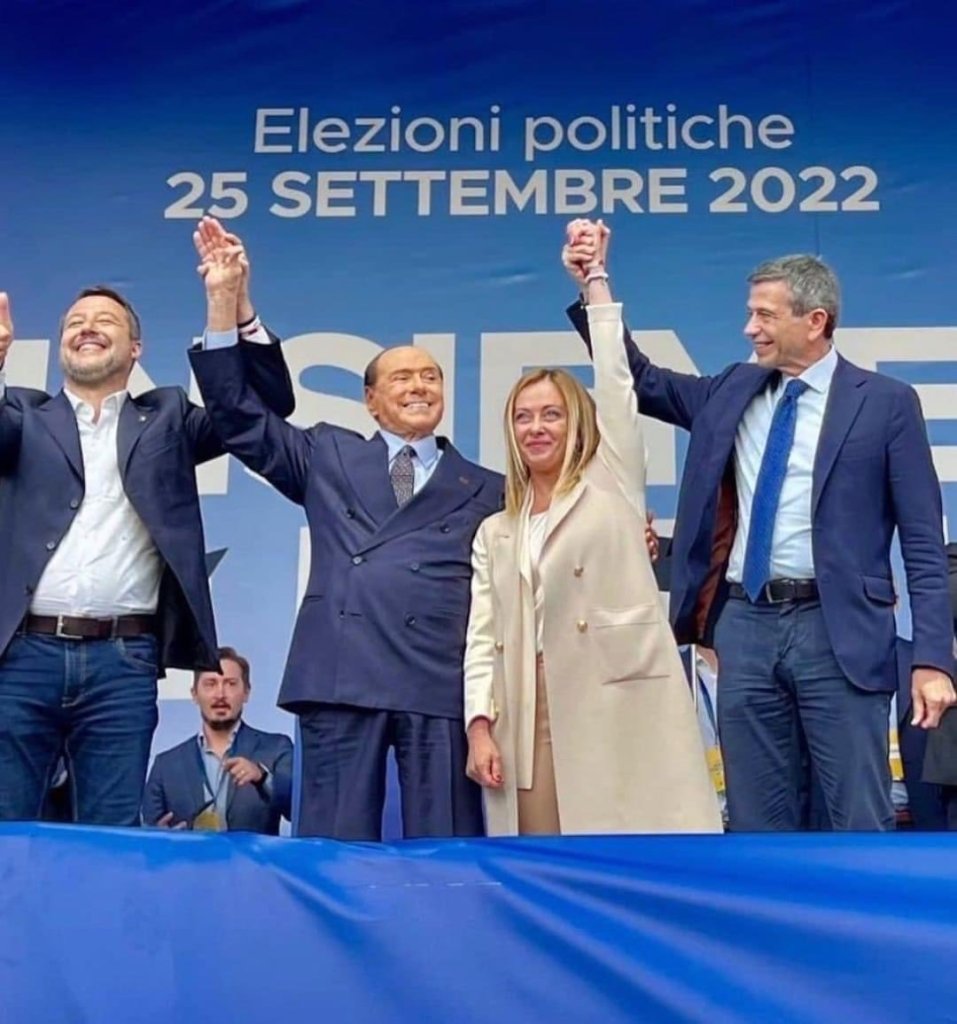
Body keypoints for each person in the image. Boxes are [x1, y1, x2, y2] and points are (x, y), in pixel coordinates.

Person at [566, 222, 955, 832]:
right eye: (750, 314)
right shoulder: (732, 390)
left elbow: (924, 544)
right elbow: (638, 378)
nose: (750, 328)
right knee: (755, 817)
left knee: (855, 813)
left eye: (765, 315)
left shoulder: (885, 402)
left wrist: (932, 659)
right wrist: (595, 283)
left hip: (838, 629)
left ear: (816, 321)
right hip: (744, 626)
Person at [187, 237, 503, 842]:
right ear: (372, 401)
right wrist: (225, 306)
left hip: (438, 681)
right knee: (332, 848)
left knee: (447, 849)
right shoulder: (328, 453)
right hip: (340, 674)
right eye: (402, 377)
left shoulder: (487, 487)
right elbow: (240, 419)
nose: (419, 386)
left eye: (431, 376)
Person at [0, 252, 295, 826]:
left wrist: (227, 309)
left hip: (122, 663)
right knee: (4, 825)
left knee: (111, 831)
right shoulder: (23, 415)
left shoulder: (167, 417)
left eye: (105, 321)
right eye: (75, 322)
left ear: (136, 349)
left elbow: (259, 410)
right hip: (24, 656)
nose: (87, 327)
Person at [462, 220, 722, 836]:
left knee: (629, 854)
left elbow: (617, 382)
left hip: (616, 699)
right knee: (541, 858)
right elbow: (482, 637)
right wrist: (480, 725)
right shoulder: (496, 530)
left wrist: (595, 284)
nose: (536, 428)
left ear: (577, 421)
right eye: (523, 417)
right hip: (528, 707)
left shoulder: (612, 481)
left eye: (551, 414)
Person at [142, 646, 293, 834]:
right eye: (210, 684)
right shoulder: (166, 765)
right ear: (194, 694)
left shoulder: (276, 748)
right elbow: (147, 832)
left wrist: (262, 778)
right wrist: (160, 837)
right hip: (187, 854)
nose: (220, 694)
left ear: (246, 692)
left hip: (251, 854)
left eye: (230, 683)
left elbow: (296, 810)